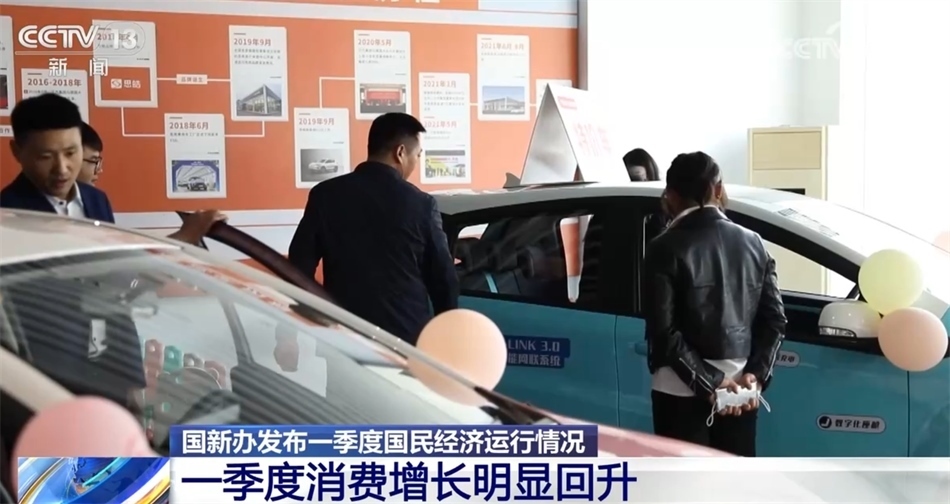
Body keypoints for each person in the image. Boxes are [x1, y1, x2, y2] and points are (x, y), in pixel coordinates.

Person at [644, 151, 786, 457]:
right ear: (718, 189)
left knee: (685, 481)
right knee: (735, 480)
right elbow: (775, 321)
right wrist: (756, 376)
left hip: (678, 391)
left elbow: (664, 332)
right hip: (741, 391)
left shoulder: (662, 248)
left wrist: (710, 383)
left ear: (671, 195)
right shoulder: (754, 242)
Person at [288, 112, 459, 345]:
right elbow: (444, 280)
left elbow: (298, 268)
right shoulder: (421, 205)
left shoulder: (325, 195)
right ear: (400, 152)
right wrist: (447, 337)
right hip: (404, 341)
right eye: (417, 155)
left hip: (343, 339)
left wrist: (289, 333)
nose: (416, 163)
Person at [1, 94, 222, 246]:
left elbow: (112, 266)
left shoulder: (96, 199)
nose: (62, 169)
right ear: (17, 152)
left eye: (71, 152)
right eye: (45, 157)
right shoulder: (7, 214)